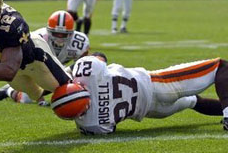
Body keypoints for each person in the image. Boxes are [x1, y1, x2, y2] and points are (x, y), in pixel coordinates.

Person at [54, 52, 228, 135]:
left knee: (193, 102)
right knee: (219, 66)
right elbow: (100, 57)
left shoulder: (91, 125)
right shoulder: (86, 71)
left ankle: (225, 111)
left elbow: (109, 128)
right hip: (158, 85)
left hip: (153, 111)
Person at [0, 10, 90, 104]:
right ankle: (10, 90)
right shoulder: (38, 37)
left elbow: (82, 63)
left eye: (63, 34)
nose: (59, 38)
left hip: (62, 70)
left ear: (71, 33)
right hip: (39, 70)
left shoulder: (79, 42)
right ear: (49, 30)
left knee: (76, 77)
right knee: (26, 99)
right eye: (56, 33)